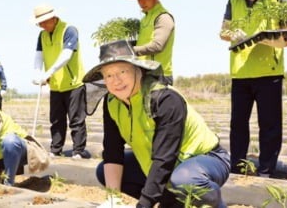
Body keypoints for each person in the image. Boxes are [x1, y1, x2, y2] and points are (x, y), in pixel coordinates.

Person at [83, 40, 230, 208]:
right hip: (162, 166)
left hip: (205, 159)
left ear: (137, 70)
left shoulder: (165, 99)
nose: (116, 80)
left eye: (122, 71)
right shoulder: (112, 102)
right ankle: (172, 201)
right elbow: (112, 151)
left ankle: (215, 204)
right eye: (108, 75)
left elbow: (164, 158)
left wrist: (144, 205)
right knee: (104, 171)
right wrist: (113, 199)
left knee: (184, 180)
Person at [219, 0, 287, 177]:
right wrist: (233, 34)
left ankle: (266, 170)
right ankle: (237, 167)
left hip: (269, 72)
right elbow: (223, 31)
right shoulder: (233, 3)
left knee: (270, 125)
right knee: (238, 125)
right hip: (240, 72)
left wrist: (273, 39)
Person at [30, 4, 88, 159]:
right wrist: (37, 74)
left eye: (44, 22)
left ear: (53, 18)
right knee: (56, 120)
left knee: (76, 120)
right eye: (39, 23)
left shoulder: (69, 30)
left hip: (73, 84)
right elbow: (38, 57)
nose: (42, 25)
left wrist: (48, 72)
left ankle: (78, 151)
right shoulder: (42, 35)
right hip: (55, 86)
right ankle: (56, 150)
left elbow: (66, 55)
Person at [125, 0, 175, 85]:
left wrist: (130, 51)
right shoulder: (144, 19)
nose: (141, 2)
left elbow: (157, 46)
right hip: (143, 74)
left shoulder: (163, 17)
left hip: (159, 76)